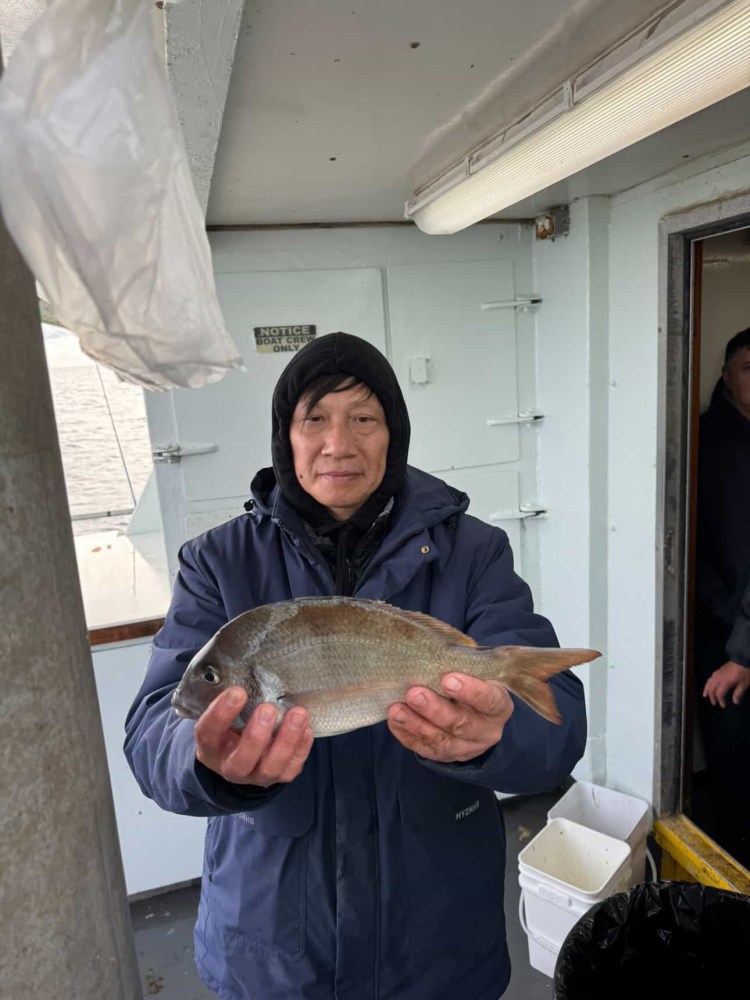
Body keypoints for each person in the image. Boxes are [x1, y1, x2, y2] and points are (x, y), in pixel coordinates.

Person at [125, 332, 587, 1000]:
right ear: (286, 436)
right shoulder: (217, 562)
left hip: (438, 951)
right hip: (273, 952)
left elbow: (557, 731)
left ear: (393, 435)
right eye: (314, 420)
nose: (338, 444)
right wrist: (205, 763)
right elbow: (154, 730)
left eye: (363, 420)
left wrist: (497, 733)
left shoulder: (475, 553)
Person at [694, 326, 750, 861]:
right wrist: (727, 615)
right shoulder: (703, 441)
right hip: (721, 626)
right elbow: (685, 537)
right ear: (727, 375)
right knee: (731, 742)